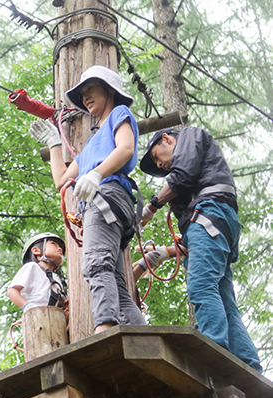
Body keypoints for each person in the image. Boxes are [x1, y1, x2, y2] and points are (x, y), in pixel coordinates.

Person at [30, 65, 146, 334]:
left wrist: (96, 174)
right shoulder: (91, 146)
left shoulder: (119, 113)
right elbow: (62, 181)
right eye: (82, 94)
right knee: (114, 280)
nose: (85, 98)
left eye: (90, 90)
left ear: (109, 89)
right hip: (107, 204)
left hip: (106, 197)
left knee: (96, 264)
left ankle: (104, 328)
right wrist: (55, 144)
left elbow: (126, 149)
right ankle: (140, 334)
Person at [139, 127, 262, 372]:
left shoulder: (190, 136)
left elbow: (182, 176)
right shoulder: (199, 172)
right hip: (216, 224)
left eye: (156, 157)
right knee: (225, 301)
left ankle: (214, 354)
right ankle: (248, 366)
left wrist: (152, 206)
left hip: (209, 217)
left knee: (202, 286)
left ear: (167, 139)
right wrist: (165, 252)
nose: (160, 165)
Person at [7, 233, 67, 312]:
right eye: (53, 244)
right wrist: (28, 307)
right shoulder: (32, 267)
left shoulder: (58, 281)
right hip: (37, 318)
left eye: (60, 247)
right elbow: (12, 291)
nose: (60, 249)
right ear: (36, 250)